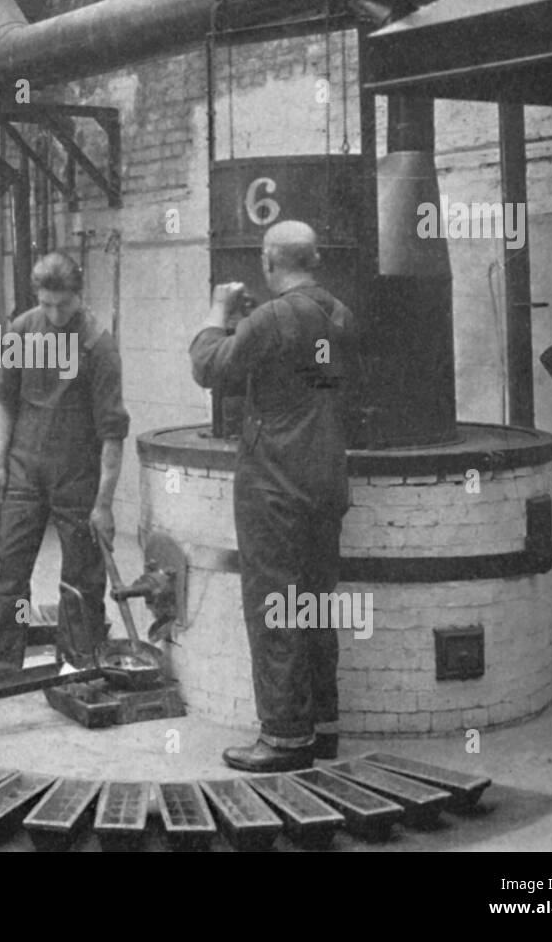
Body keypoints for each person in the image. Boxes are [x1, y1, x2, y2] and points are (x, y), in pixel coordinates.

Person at [189, 219, 358, 773]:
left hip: (274, 484)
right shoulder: (339, 313)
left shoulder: (271, 317)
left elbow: (209, 367)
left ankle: (285, 737)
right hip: (325, 478)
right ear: (315, 259)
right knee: (314, 603)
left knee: (275, 607)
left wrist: (219, 312)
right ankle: (323, 726)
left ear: (269, 260)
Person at [0, 251, 129, 673]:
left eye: (63, 304)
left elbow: (113, 432)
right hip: (24, 465)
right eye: (46, 303)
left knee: (81, 575)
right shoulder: (22, 330)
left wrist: (103, 503)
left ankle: (79, 662)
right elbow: (4, 401)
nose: (55, 313)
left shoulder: (98, 344)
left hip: (77, 472)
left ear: (78, 295)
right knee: (8, 571)